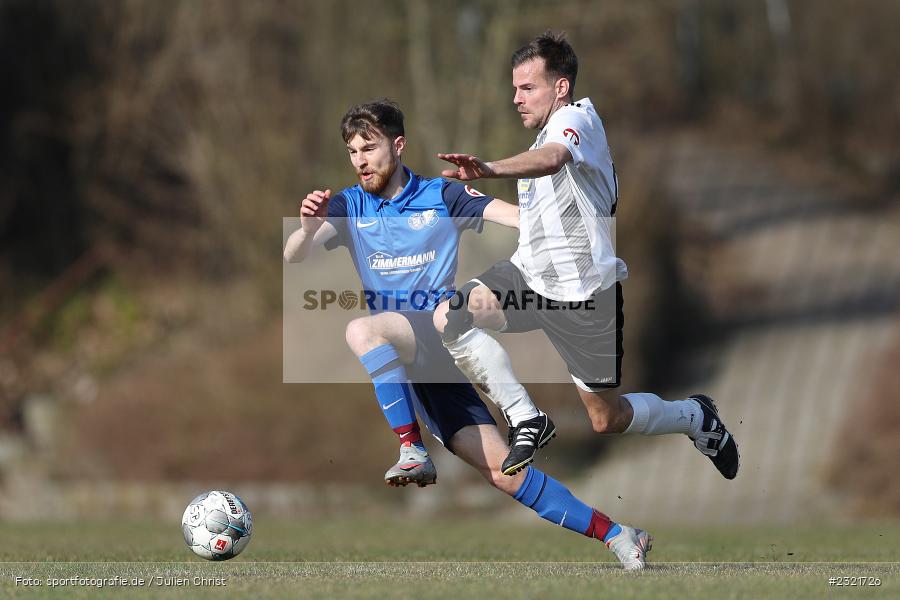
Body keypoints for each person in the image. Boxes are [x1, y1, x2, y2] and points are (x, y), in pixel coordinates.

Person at [283, 99, 651, 569]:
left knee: (362, 328)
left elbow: (518, 218)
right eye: (353, 151)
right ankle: (620, 534)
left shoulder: (442, 195)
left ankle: (411, 448)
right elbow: (297, 254)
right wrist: (307, 227)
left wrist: (578, 237)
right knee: (504, 473)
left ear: (398, 146)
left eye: (369, 148)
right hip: (416, 365)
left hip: (438, 330)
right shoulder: (348, 205)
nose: (360, 160)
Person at [434, 31, 740, 480]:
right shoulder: (540, 138)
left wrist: (491, 168)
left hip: (583, 297)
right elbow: (536, 214)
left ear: (560, 87)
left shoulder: (577, 121)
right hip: (529, 280)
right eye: (514, 88)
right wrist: (470, 205)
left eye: (527, 87)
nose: (515, 98)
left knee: (606, 419)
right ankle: (526, 418)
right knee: (450, 316)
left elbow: (555, 158)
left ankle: (696, 417)